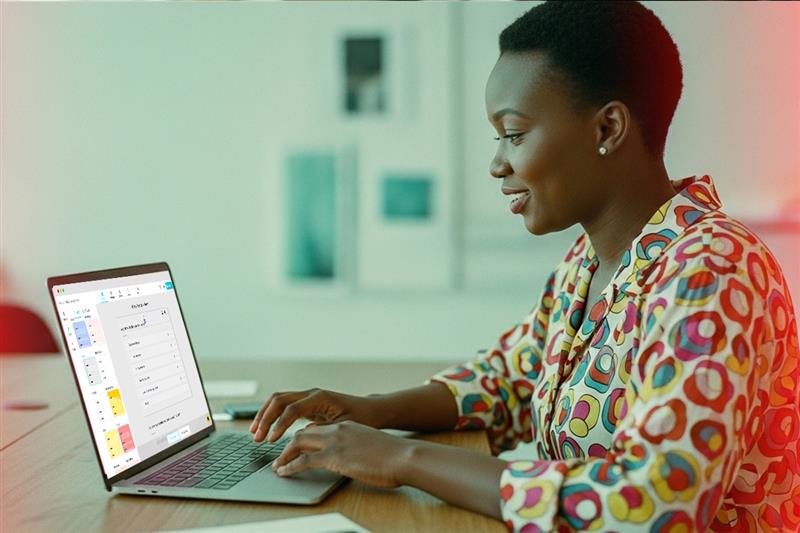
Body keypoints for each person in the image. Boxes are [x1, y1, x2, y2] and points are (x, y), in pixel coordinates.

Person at [250, 2, 800, 531]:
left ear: (607, 129)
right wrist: (366, 410)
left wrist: (402, 459)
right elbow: (509, 380)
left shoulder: (713, 271)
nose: (496, 163)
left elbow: (651, 506)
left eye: (513, 133)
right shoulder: (588, 264)